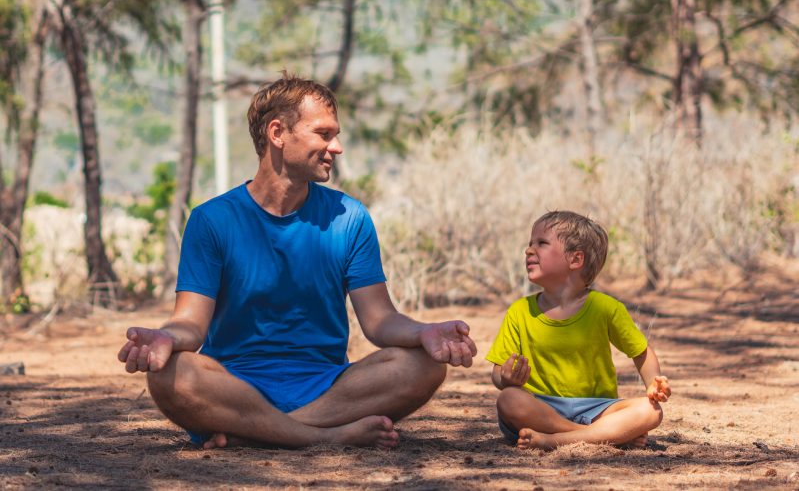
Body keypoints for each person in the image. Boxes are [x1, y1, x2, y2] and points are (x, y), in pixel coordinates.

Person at [118, 75, 477, 450]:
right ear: (277, 133)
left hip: (329, 389)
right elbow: (190, 323)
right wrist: (166, 337)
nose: (336, 147)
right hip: (232, 388)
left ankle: (259, 434)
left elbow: (380, 321)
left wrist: (425, 333)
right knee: (168, 374)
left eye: (335, 135)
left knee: (425, 365)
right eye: (323, 134)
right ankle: (325, 436)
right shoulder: (212, 220)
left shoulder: (349, 217)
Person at [485, 211, 671, 450]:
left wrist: (652, 384)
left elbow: (641, 351)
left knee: (650, 410)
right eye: (530, 243)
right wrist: (506, 378)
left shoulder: (606, 308)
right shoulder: (519, 311)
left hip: (598, 408)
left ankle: (553, 441)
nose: (528, 250)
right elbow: (497, 373)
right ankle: (605, 435)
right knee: (508, 399)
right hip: (541, 408)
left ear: (575, 260)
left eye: (541, 243)